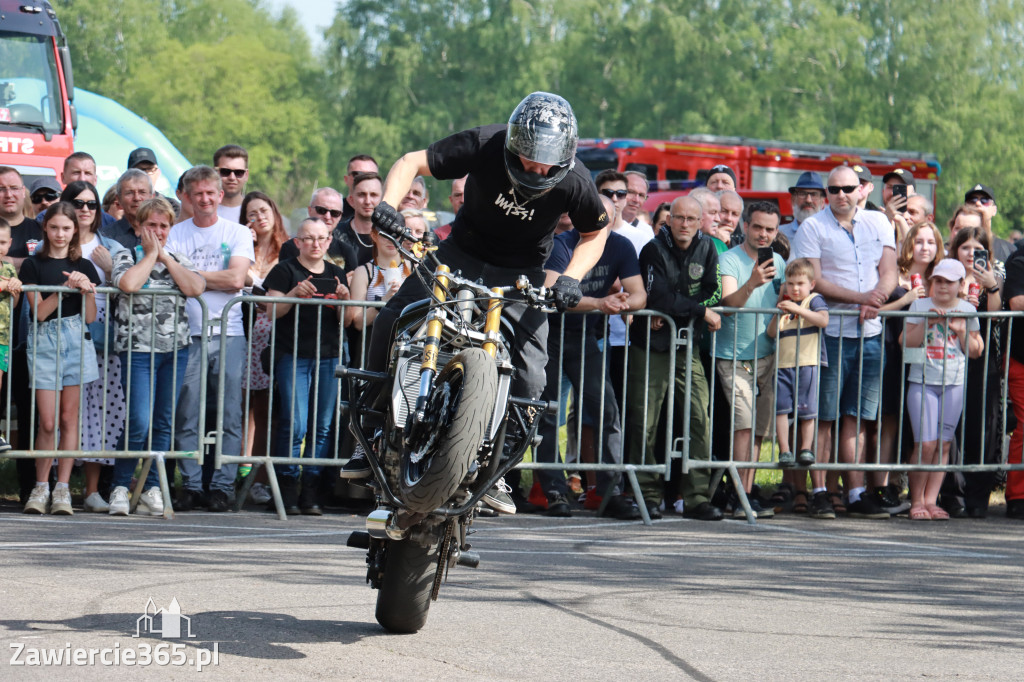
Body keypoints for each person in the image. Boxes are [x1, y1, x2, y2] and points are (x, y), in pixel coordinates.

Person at [363, 92, 609, 514]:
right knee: (393, 319)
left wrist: (572, 278)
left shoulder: (576, 181)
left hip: (520, 275)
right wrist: (387, 205)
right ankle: (367, 426)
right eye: (529, 159)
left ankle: (497, 471)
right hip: (458, 255)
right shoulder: (485, 143)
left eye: (547, 163)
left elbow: (595, 232)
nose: (537, 169)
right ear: (514, 143)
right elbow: (411, 162)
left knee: (533, 374)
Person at [791, 165, 897, 519]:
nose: (841, 195)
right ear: (827, 193)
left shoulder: (879, 222)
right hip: (831, 333)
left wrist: (877, 297)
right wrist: (861, 297)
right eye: (833, 189)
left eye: (847, 188)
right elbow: (815, 280)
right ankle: (820, 490)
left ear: (860, 189)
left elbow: (891, 269)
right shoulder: (812, 227)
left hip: (870, 333)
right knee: (825, 417)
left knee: (858, 417)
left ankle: (854, 493)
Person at [533, 192, 647, 519]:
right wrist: (600, 303)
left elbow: (639, 293)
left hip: (586, 337)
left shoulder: (621, 246)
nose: (597, 224)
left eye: (604, 219)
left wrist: (622, 303)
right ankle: (554, 490)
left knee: (607, 411)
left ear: (612, 220)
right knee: (549, 413)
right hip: (551, 335)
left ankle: (611, 490)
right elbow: (556, 294)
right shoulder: (562, 244)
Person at [624, 195, 723, 520]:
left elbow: (711, 289)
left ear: (699, 222)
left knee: (698, 418)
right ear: (669, 220)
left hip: (686, 345)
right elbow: (658, 295)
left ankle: (695, 497)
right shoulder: (653, 249)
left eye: (691, 220)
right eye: (678, 218)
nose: (684, 225)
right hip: (650, 346)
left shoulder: (707, 248)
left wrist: (675, 309)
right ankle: (647, 494)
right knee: (644, 421)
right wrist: (694, 309)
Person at [109, 197, 205, 516]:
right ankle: (120, 486)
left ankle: (152, 486)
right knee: (138, 419)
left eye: (164, 225)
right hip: (137, 349)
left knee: (163, 422)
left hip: (174, 351)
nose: (158, 230)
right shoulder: (126, 255)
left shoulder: (178, 258)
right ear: (138, 227)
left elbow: (195, 287)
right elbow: (129, 283)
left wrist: (165, 256)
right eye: (151, 224)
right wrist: (151, 255)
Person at [168, 165, 255, 512]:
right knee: (188, 411)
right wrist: (197, 278)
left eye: (210, 193)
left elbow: (237, 279)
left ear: (220, 195)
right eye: (197, 193)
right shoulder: (175, 234)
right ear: (187, 197)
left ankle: (222, 485)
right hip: (187, 333)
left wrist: (191, 276)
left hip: (230, 331)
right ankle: (190, 483)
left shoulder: (237, 232)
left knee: (229, 414)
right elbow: (175, 281)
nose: (204, 199)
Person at [264, 218, 350, 515]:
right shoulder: (284, 270)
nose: (315, 244)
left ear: (329, 242)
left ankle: (311, 489)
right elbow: (271, 311)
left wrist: (343, 301)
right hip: (293, 355)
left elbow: (348, 321)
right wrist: (292, 294)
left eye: (321, 238)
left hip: (329, 355)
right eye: (308, 239)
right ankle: (287, 486)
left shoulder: (338, 274)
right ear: (297, 242)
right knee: (295, 423)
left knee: (323, 426)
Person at [20, 203, 101, 515]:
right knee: (48, 420)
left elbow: (91, 317)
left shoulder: (85, 265)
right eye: (54, 227)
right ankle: (41, 487)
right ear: (46, 229)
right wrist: (64, 290)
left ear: (75, 231)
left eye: (66, 228)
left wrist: (86, 289)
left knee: (69, 419)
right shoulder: (33, 265)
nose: (59, 234)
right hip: (44, 341)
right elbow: (38, 313)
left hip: (76, 339)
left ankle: (63, 489)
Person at [60, 180, 129, 513]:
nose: (85, 209)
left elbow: (129, 286)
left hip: (103, 340)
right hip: (60, 337)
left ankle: (90, 490)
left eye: (91, 203)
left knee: (101, 414)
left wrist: (109, 269)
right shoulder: (55, 243)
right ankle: (55, 486)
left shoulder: (111, 247)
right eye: (78, 202)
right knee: (64, 414)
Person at [716, 201, 785, 518]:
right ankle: (738, 494)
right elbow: (728, 304)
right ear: (745, 226)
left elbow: (782, 301)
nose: (763, 234)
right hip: (733, 356)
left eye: (770, 229)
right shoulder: (729, 259)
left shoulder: (779, 262)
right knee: (742, 427)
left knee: (758, 429)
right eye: (758, 227)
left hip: (768, 355)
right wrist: (753, 282)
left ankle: (747, 490)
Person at [902, 259, 983, 520]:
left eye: (949, 282)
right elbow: (906, 343)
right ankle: (916, 501)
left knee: (943, 445)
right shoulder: (920, 305)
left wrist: (961, 330)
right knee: (925, 444)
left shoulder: (967, 308)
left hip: (954, 383)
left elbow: (975, 350)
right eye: (938, 280)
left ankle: (931, 500)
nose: (942, 286)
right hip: (923, 382)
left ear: (960, 285)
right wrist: (927, 324)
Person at [767, 258, 831, 517]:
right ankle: (785, 450)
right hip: (783, 365)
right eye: (791, 284)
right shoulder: (784, 305)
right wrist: (778, 313)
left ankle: (805, 448)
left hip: (807, 363)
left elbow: (823, 320)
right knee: (782, 410)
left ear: (811, 284)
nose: (795, 288)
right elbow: (772, 333)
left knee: (807, 412)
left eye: (800, 284)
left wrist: (798, 308)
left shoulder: (812, 300)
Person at [239, 190, 289, 503]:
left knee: (269, 408)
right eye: (252, 214)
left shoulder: (289, 250)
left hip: (277, 334)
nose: (259, 217)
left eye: (264, 210)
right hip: (246, 333)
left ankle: (261, 477)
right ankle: (239, 473)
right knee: (244, 407)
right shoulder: (242, 250)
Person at [278, 187, 358, 273]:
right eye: (321, 210)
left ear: (340, 216)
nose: (327, 217)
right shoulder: (290, 247)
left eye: (335, 213)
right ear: (309, 211)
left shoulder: (347, 251)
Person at [0, 218, 21, 452]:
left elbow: (13, 304)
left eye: (3, 242)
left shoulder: (8, 267)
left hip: (3, 337)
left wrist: (14, 287)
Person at [100, 169, 154, 250]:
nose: (136, 198)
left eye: (142, 192)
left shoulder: (162, 233)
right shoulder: (105, 237)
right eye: (129, 193)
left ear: (152, 197)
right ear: (118, 199)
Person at [781, 171, 826, 244]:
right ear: (793, 200)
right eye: (802, 194)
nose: (808, 200)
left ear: (822, 202)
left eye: (814, 194)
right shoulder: (780, 236)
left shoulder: (832, 236)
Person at [214, 145, 249, 224]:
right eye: (225, 172)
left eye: (239, 172)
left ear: (246, 175)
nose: (232, 177)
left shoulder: (255, 213)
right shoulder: (201, 211)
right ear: (215, 173)